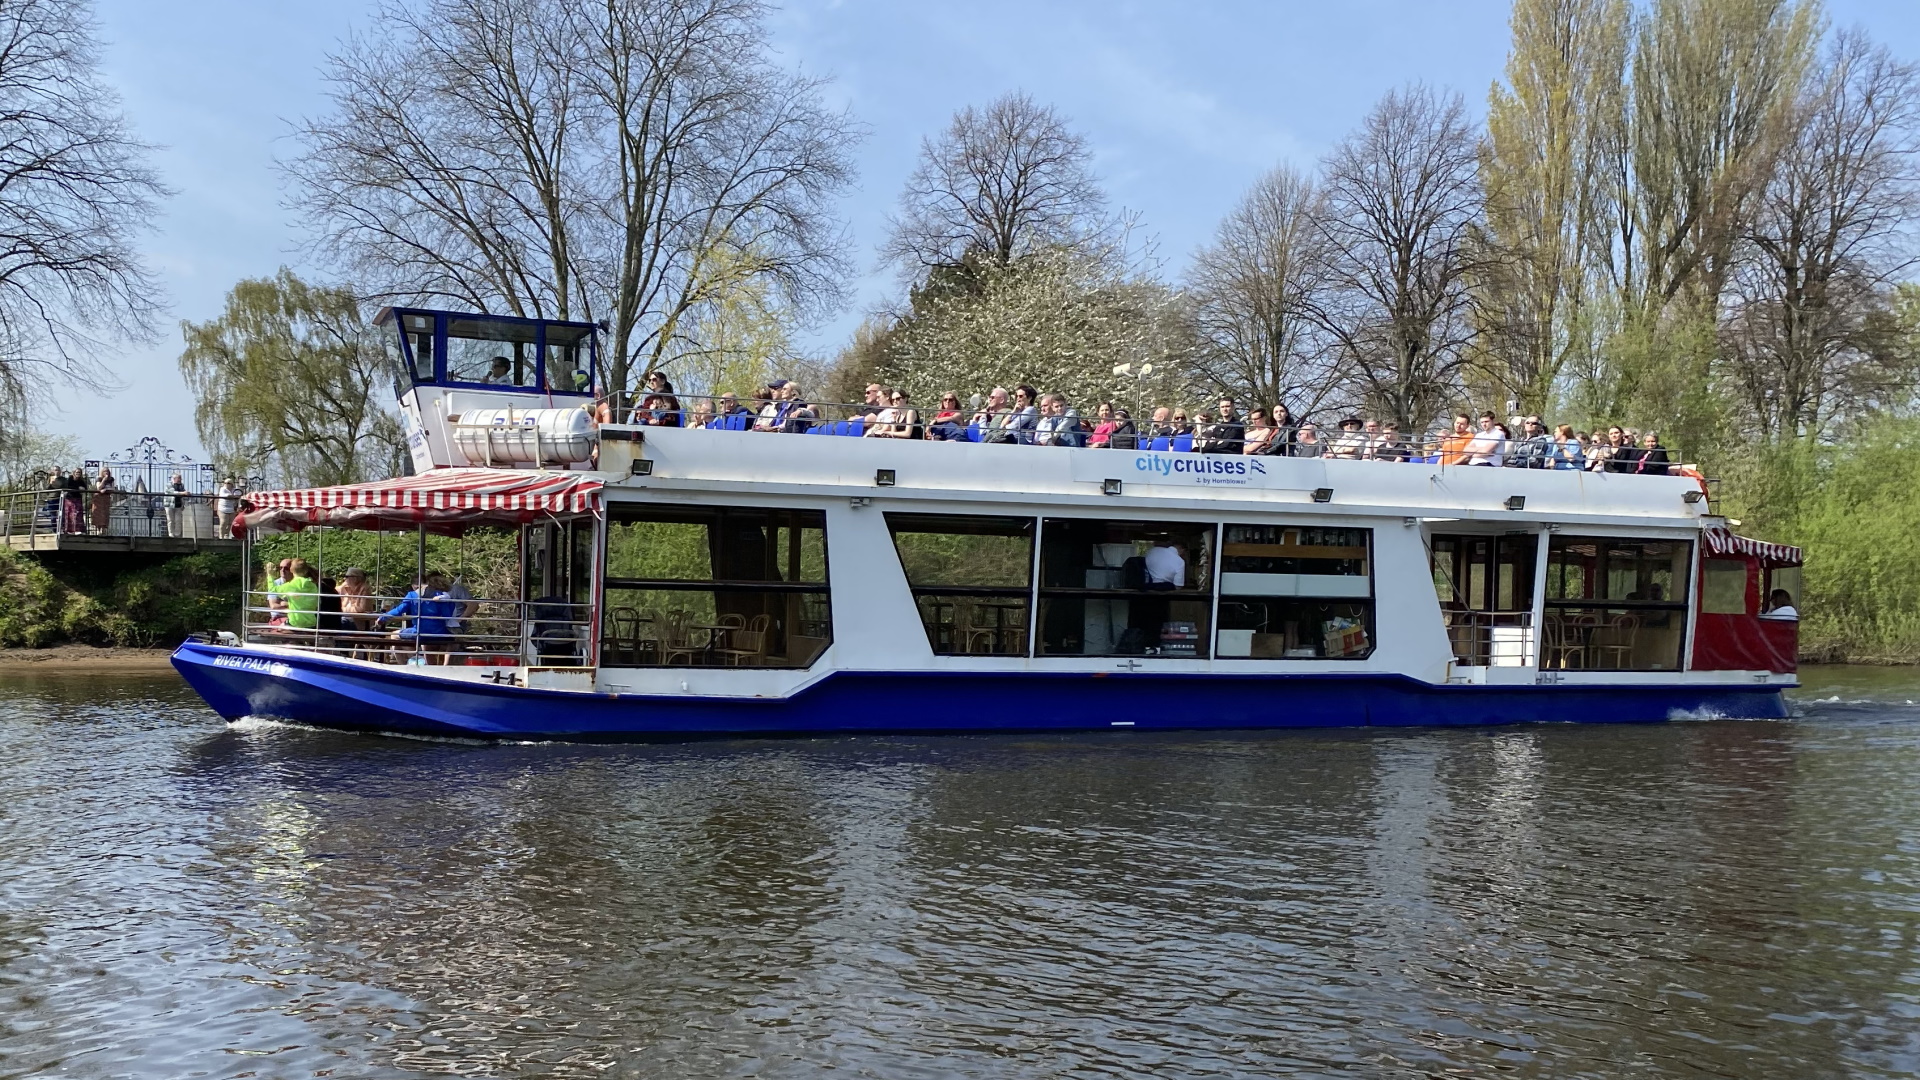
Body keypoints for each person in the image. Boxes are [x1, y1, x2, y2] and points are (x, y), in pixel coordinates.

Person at [379, 571, 456, 663]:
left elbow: (399, 610)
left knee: (394, 635)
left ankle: (403, 666)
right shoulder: (441, 595)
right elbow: (448, 614)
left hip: (420, 632)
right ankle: (432, 667)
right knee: (429, 645)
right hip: (440, 633)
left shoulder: (412, 595)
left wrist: (383, 617)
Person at [280, 558, 320, 632]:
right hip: (311, 623)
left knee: (280, 628)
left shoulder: (292, 585)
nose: (283, 571)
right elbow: (316, 603)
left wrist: (270, 576)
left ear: (291, 570)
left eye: (286, 568)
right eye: (280, 568)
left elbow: (274, 591)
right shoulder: (313, 585)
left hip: (296, 622)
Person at [90, 467, 116, 533]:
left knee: (105, 513)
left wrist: (107, 490)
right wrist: (104, 480)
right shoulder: (99, 478)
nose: (106, 472)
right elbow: (99, 487)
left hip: (106, 497)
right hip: (99, 497)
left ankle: (104, 529)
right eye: (104, 471)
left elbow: (113, 488)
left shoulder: (111, 479)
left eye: (107, 471)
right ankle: (98, 529)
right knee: (98, 513)